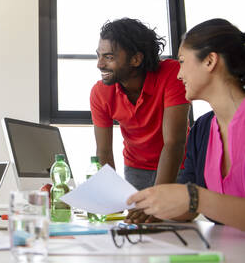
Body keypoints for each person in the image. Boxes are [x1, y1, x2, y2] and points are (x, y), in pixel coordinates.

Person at [127, 18, 245, 231]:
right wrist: (153, 203)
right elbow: (189, 208)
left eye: (182, 61)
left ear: (210, 61)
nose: (179, 74)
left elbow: (195, 199)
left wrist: (197, 198)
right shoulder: (202, 129)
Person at [90, 18, 190, 223]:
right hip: (136, 168)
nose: (100, 64)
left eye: (108, 57)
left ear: (135, 59)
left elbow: (174, 143)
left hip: (177, 164)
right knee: (139, 225)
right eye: (99, 56)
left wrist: (158, 201)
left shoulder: (171, 73)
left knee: (173, 221)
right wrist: (109, 199)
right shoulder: (100, 92)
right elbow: (104, 151)